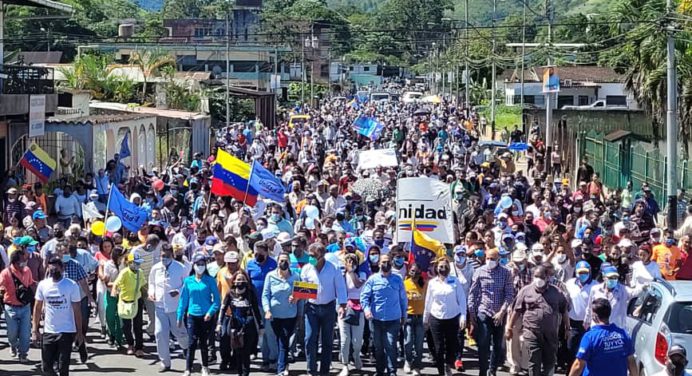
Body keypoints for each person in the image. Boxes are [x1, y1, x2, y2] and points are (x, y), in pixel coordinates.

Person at [506, 266, 569, 376]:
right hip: (532, 332)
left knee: (549, 362)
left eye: (541, 277)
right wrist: (509, 327)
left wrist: (567, 328)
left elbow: (564, 311)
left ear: (547, 277)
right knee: (534, 361)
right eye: (536, 276)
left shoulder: (557, 292)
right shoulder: (525, 291)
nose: (538, 279)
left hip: (551, 334)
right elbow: (516, 310)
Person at [300, 243, 347, 376]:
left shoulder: (334, 268)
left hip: (328, 307)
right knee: (309, 339)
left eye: (313, 256)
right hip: (311, 308)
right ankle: (311, 369)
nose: (311, 259)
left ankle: (324, 371)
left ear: (321, 256)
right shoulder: (306, 269)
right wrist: (296, 297)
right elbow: (303, 290)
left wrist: (342, 305)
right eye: (309, 256)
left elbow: (341, 287)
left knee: (327, 341)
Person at [32, 257, 85, 376]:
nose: (53, 271)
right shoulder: (43, 285)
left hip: (66, 331)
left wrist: (79, 332)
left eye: (56, 268)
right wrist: (35, 330)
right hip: (49, 331)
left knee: (63, 367)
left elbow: (77, 310)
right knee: (46, 368)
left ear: (62, 269)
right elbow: (37, 308)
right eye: (51, 268)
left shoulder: (71, 285)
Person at [469, 248, 515, 376]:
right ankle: (482, 371)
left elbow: (509, 294)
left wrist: (502, 311)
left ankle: (492, 369)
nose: (490, 261)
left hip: (499, 313)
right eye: (488, 258)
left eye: (492, 259)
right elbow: (473, 293)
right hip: (483, 311)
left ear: (498, 259)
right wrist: (472, 314)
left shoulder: (506, 273)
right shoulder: (479, 271)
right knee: (483, 343)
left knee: (497, 344)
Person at [361, 253, 408, 376]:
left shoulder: (397, 279)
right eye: (383, 262)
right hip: (376, 319)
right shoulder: (372, 279)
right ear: (379, 263)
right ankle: (380, 371)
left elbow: (403, 299)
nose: (385, 264)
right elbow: (364, 297)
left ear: (391, 263)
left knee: (391, 345)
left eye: (387, 261)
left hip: (393, 319)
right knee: (378, 347)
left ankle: (392, 371)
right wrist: (366, 310)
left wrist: (404, 314)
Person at [177, 253, 221, 376]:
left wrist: (210, 312)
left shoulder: (210, 280)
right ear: (194, 265)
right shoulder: (188, 281)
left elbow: (217, 300)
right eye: (198, 264)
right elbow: (183, 300)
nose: (200, 267)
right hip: (192, 315)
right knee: (191, 343)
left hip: (206, 316)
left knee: (203, 343)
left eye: (202, 264)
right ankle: (188, 368)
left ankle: (205, 366)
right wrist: (179, 315)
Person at [568, 298, 638, 376]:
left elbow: (578, 365)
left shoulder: (590, 337)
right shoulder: (623, 334)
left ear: (595, 316)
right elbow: (631, 362)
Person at [148, 243, 189, 373]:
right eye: (162, 256)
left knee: (180, 333)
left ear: (171, 255)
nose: (163, 258)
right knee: (160, 334)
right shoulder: (155, 268)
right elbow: (151, 283)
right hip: (160, 306)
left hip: (175, 307)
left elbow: (187, 284)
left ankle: (186, 349)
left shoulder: (180, 268)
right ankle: (165, 362)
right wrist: (151, 292)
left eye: (166, 256)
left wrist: (178, 291)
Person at [423, 256, 467, 376]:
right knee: (438, 347)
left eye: (445, 267)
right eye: (441, 267)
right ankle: (441, 371)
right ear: (437, 268)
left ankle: (448, 364)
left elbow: (462, 299)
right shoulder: (432, 283)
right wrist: (425, 320)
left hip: (453, 317)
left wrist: (463, 316)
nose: (443, 269)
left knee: (452, 345)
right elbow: (428, 301)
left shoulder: (455, 281)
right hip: (436, 317)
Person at [262, 252, 299, 376]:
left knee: (283, 340)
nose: (283, 263)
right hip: (273, 315)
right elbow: (265, 295)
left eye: (286, 260)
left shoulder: (296, 276)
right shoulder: (270, 276)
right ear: (277, 262)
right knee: (274, 340)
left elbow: (302, 294)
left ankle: (281, 369)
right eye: (281, 260)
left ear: (289, 262)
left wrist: (296, 298)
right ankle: (280, 362)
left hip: (289, 314)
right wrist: (267, 310)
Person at [218, 270, 262, 376]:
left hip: (248, 326)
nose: (240, 281)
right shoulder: (230, 293)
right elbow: (223, 308)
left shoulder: (250, 293)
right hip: (234, 326)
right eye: (238, 279)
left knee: (246, 352)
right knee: (237, 352)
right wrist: (219, 323)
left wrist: (261, 326)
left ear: (247, 281)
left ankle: (246, 373)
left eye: (242, 279)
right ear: (234, 281)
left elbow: (256, 310)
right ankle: (239, 372)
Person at [245, 240, 278, 371]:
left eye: (260, 253)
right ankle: (265, 359)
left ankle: (273, 359)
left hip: (270, 304)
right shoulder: (250, 264)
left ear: (266, 252)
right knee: (261, 333)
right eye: (255, 253)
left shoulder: (273, 264)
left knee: (270, 332)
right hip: (256, 304)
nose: (257, 256)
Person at [0, 248, 35, 362]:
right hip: (11, 307)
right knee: (12, 333)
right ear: (14, 262)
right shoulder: (5, 273)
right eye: (21, 261)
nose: (24, 263)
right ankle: (13, 345)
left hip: (25, 307)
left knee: (25, 333)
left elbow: (30, 283)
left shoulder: (27, 270)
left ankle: (23, 354)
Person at [337, 253, 367, 376]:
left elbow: (357, 284)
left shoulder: (362, 274)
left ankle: (356, 356)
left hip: (358, 309)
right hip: (344, 308)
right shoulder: (341, 275)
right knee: (345, 339)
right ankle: (345, 364)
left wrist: (352, 272)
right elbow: (340, 290)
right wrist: (345, 274)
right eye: (348, 260)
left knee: (357, 340)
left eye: (353, 261)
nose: (350, 263)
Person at [112, 252, 147, 357]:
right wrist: (114, 291)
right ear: (129, 262)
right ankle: (130, 344)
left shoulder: (140, 272)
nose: (137, 265)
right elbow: (116, 283)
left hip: (137, 300)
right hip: (125, 302)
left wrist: (149, 294)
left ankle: (139, 347)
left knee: (138, 325)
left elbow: (143, 285)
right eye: (135, 263)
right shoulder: (124, 272)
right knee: (126, 326)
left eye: (138, 263)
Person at [565, 261, 597, 367]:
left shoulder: (595, 285)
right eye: (580, 272)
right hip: (573, 324)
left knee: (587, 351)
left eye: (585, 272)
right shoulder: (569, 283)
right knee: (571, 350)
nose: (582, 274)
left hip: (589, 324)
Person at [403, 263, 426, 376]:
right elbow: (402, 299)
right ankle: (407, 361)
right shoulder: (405, 284)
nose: (414, 273)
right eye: (412, 271)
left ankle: (417, 365)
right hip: (409, 316)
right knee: (408, 342)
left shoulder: (424, 284)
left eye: (416, 271)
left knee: (419, 343)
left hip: (420, 317)